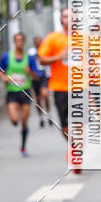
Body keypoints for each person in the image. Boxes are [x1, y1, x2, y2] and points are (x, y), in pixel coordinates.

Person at [0, 32, 40, 156]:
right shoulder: (7, 56)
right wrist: (3, 77)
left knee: (25, 120)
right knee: (15, 120)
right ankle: (16, 120)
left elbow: (37, 76)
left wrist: (30, 72)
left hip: (25, 92)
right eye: (17, 40)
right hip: (12, 92)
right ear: (14, 42)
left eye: (21, 40)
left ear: (24, 42)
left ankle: (23, 146)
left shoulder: (29, 58)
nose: (20, 43)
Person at [38, 9, 71, 140]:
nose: (69, 19)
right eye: (66, 16)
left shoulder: (84, 37)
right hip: (60, 87)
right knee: (65, 126)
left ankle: (80, 149)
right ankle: (72, 145)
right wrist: (58, 57)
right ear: (61, 19)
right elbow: (41, 59)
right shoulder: (53, 38)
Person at [29, 34, 51, 127]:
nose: (38, 42)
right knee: (38, 98)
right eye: (36, 41)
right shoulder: (31, 52)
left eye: (39, 40)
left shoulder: (46, 50)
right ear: (34, 42)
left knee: (45, 95)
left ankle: (48, 115)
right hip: (35, 77)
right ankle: (40, 117)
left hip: (44, 76)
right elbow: (28, 64)